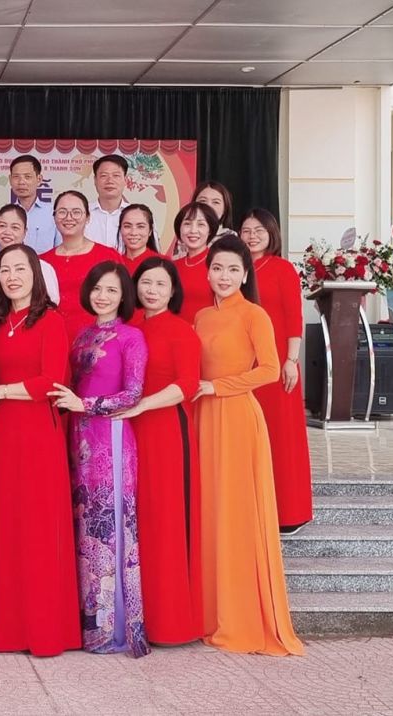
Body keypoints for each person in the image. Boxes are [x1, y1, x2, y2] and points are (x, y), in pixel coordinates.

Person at [194, 235, 305, 656]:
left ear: (245, 275)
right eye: (217, 268)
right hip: (204, 417)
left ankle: (241, 617)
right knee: (210, 512)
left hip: (237, 416)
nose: (223, 276)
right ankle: (211, 612)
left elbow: (270, 370)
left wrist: (217, 386)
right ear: (208, 272)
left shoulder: (254, 314)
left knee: (236, 514)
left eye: (232, 270)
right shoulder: (202, 316)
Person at [0, 245, 81, 657]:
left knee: (38, 526)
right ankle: (8, 629)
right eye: (5, 270)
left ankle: (44, 629)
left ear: (35, 274)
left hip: (37, 431)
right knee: (7, 524)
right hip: (2, 432)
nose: (12, 276)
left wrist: (1, 391)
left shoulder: (50, 320)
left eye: (20, 268)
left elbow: (51, 381)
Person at [50, 262, 149, 658]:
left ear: (123, 296)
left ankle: (116, 629)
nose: (102, 296)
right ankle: (88, 626)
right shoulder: (82, 334)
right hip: (79, 438)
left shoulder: (132, 337)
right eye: (97, 289)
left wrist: (86, 404)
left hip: (112, 438)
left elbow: (133, 394)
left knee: (110, 531)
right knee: (84, 528)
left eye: (111, 290)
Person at [112, 257, 207, 646]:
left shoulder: (181, 331)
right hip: (129, 431)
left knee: (164, 523)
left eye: (160, 284)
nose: (151, 290)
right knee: (135, 522)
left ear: (173, 291)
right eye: (145, 283)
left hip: (166, 431)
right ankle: (135, 617)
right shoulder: (128, 327)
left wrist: (142, 405)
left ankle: (170, 623)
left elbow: (187, 384)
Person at [241, 208, 313, 533]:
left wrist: (291, 360)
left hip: (278, 364)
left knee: (281, 437)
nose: (252, 236)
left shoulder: (282, 268)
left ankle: (289, 512)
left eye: (259, 230)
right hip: (245, 363)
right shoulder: (236, 268)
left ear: (272, 234)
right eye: (246, 230)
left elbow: (294, 316)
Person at [41, 190, 124, 339]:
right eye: (62, 212)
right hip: (52, 338)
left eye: (76, 212)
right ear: (54, 217)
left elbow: (124, 299)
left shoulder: (107, 256)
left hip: (97, 340)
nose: (69, 217)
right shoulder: (42, 261)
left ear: (88, 217)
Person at [0, 204, 60, 308]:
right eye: (2, 226)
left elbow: (51, 303)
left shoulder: (42, 267)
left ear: (25, 232)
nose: (7, 232)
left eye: (15, 227)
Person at [172, 202, 220, 322]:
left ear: (210, 230)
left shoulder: (219, 265)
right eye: (187, 224)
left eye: (201, 224)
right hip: (175, 330)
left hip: (207, 330)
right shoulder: (172, 267)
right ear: (179, 228)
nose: (193, 230)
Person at [7, 155, 57, 252]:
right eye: (16, 177)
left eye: (27, 177)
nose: (21, 182)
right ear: (10, 179)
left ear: (39, 179)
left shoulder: (53, 214)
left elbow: (62, 250)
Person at [87, 156, 131, 251]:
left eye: (116, 175)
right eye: (104, 175)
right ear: (95, 180)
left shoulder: (137, 215)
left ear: (125, 180)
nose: (110, 181)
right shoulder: (82, 214)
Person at [118, 204, 162, 276]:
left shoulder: (162, 263)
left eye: (140, 227)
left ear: (150, 231)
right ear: (120, 229)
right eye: (127, 226)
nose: (133, 233)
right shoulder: (115, 263)